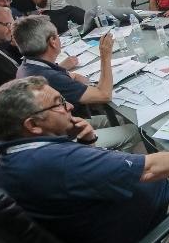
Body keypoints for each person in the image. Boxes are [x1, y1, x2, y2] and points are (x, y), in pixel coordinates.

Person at [0, 76, 169, 243]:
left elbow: (78, 180)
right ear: (32, 125)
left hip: (107, 221)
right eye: (58, 105)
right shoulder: (55, 161)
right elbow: (149, 170)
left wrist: (85, 144)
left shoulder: (9, 160)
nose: (70, 107)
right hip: (148, 230)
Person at [13, 16, 140, 150]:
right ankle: (109, 165)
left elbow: (70, 75)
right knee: (133, 131)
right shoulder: (48, 76)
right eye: (57, 35)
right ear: (53, 42)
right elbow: (103, 95)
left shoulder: (29, 65)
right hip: (65, 141)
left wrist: (72, 76)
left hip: (58, 127)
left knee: (119, 120)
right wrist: (105, 56)